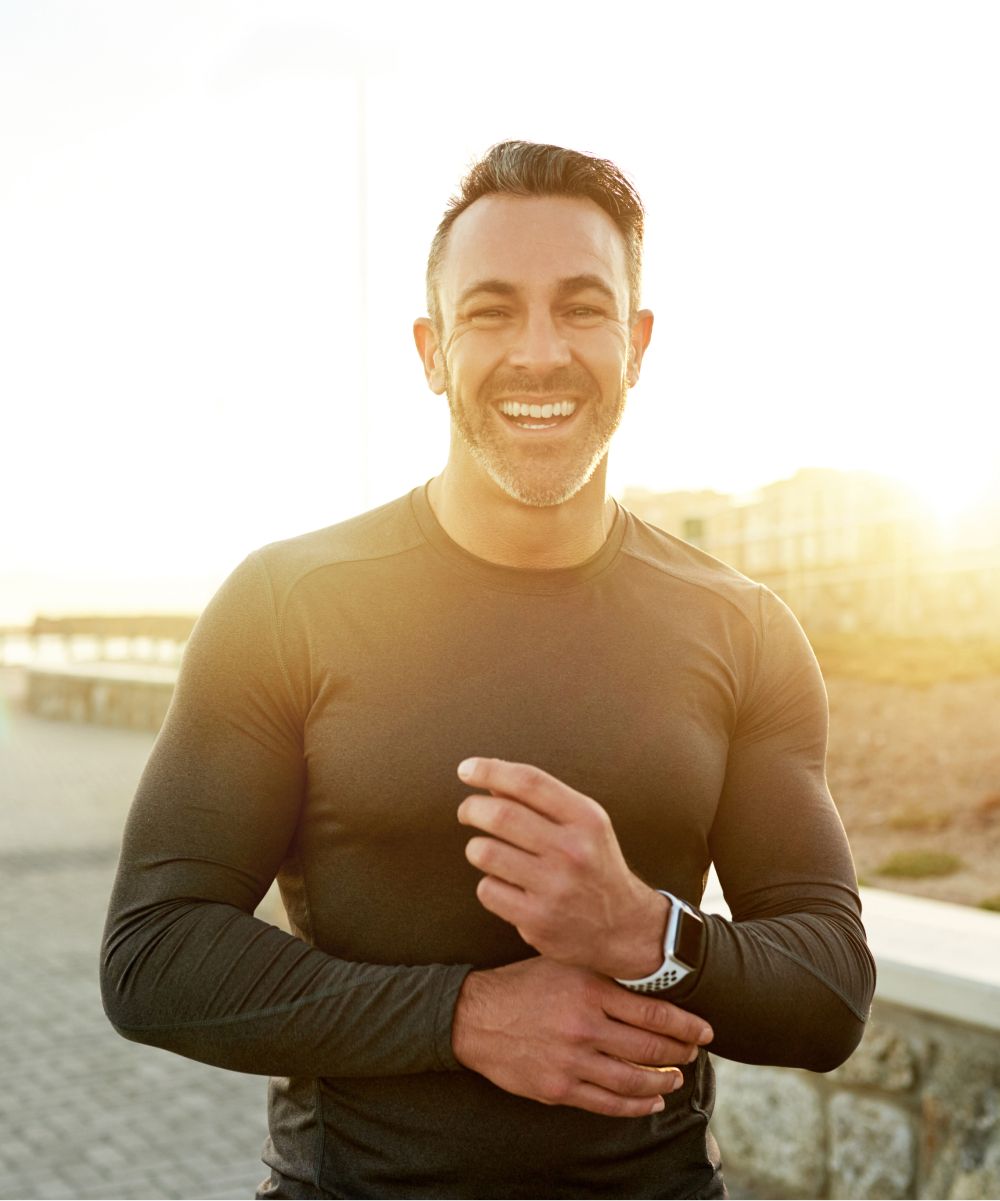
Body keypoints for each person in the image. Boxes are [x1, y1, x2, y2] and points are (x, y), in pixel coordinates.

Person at [101, 140, 876, 1200]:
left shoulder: (740, 626)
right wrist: (463, 1017)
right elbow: (153, 955)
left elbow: (831, 989)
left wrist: (644, 931)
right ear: (430, 350)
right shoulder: (288, 601)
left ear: (637, 342)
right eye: (492, 310)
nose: (541, 352)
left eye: (584, 307)